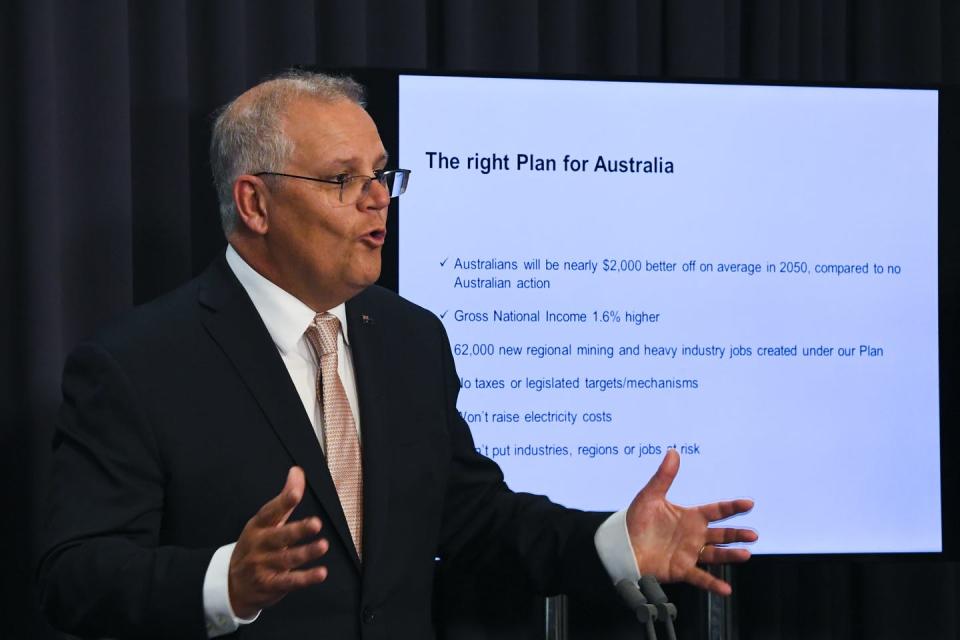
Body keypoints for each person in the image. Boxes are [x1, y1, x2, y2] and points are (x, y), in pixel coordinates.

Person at [37, 70, 756, 639]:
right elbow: (76, 578)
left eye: (383, 174)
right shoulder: (139, 363)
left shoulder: (412, 338)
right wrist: (224, 582)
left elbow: (474, 520)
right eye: (343, 179)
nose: (377, 200)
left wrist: (612, 541)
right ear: (254, 205)